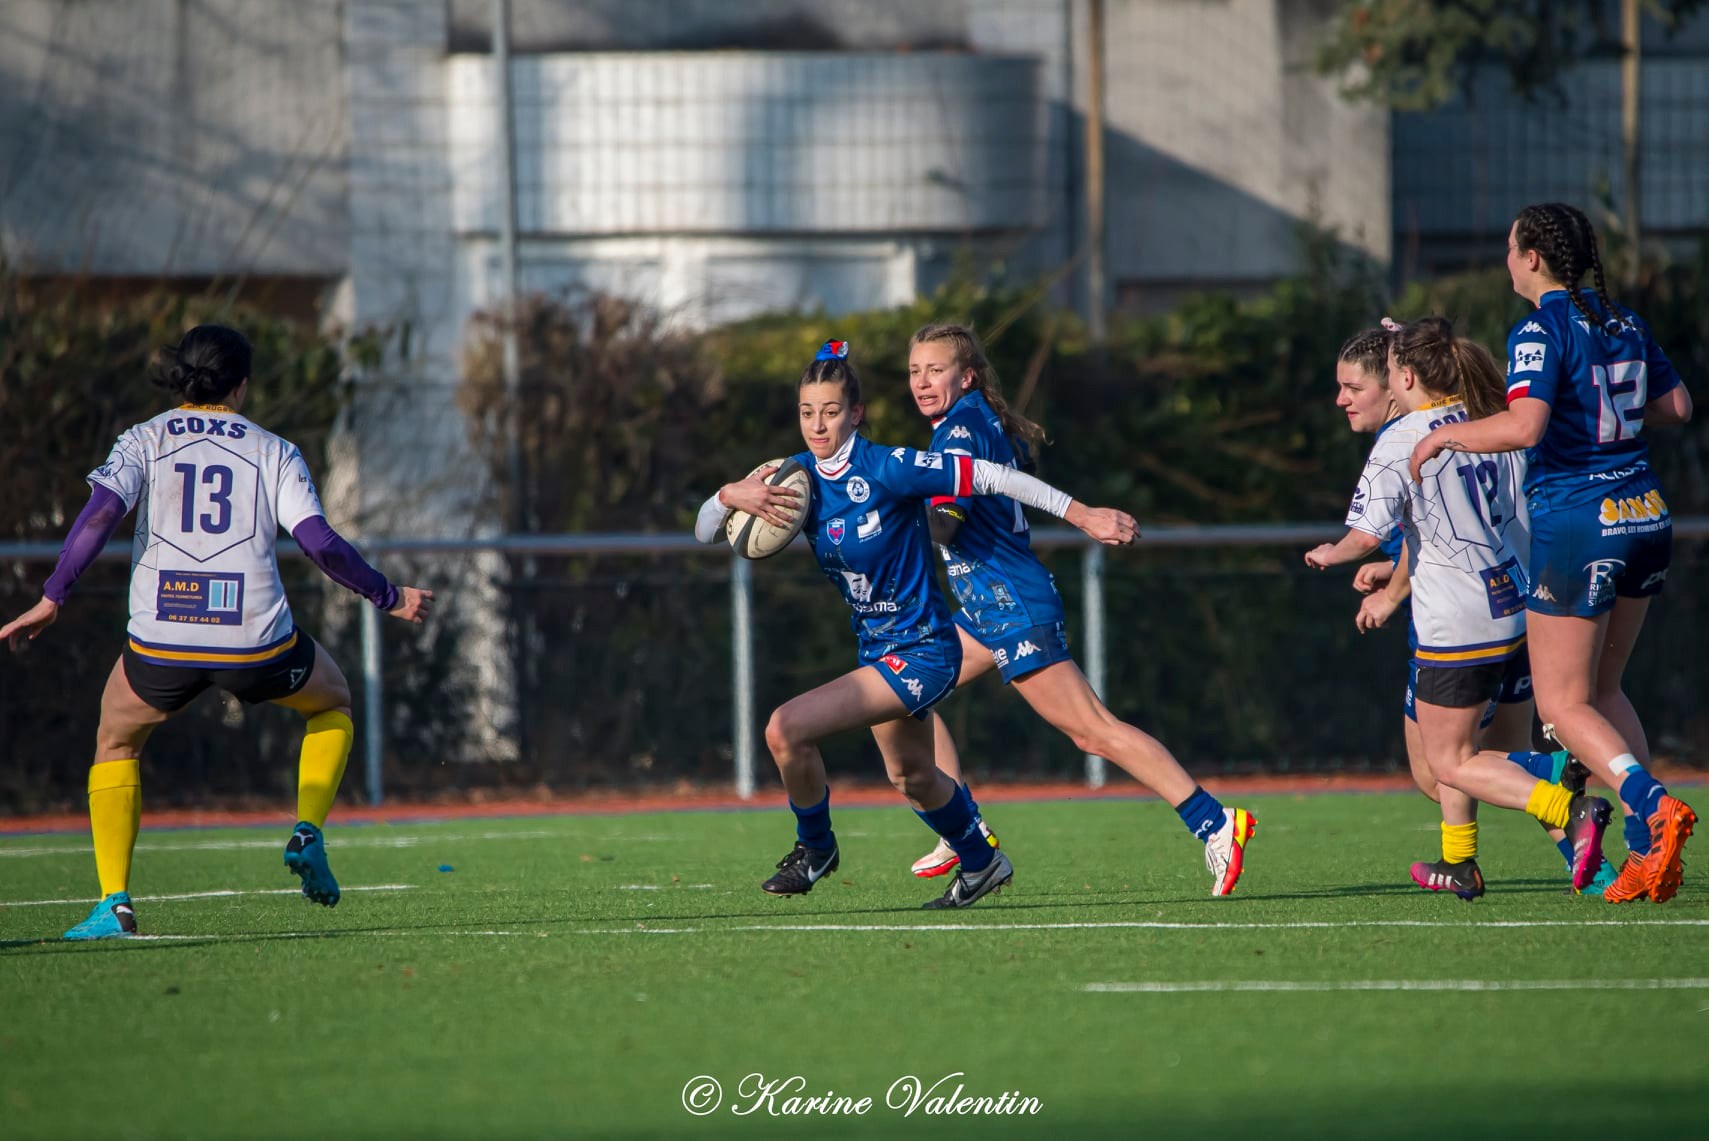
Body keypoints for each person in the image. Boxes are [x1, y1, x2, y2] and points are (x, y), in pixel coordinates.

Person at [0, 325, 433, 940]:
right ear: (241, 384)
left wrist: (52, 597)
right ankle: (308, 830)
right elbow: (318, 542)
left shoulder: (143, 439)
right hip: (255, 638)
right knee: (332, 701)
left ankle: (115, 903)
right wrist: (388, 596)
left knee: (116, 741)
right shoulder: (273, 449)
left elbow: (100, 515)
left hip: (162, 640)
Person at [693, 340, 1137, 908]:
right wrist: (731, 494)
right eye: (807, 412)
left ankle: (816, 849)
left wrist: (1083, 514)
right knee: (914, 778)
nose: (818, 424)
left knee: (785, 728)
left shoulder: (889, 467)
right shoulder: (794, 478)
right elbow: (706, 529)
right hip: (877, 650)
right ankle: (980, 862)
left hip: (926, 649)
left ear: (855, 413)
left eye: (831, 411)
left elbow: (995, 477)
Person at [899, 323, 1258, 896]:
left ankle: (1215, 822)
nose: (922, 381)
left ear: (966, 376)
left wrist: (894, 493)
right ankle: (962, 828)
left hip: (1009, 604)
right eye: (915, 371)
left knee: (1094, 732)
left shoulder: (959, 432)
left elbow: (945, 522)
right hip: (986, 609)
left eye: (934, 369)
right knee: (904, 697)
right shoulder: (968, 423)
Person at [1410, 202, 1695, 903]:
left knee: (1561, 705)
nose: (1506, 260)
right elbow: (1676, 406)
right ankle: (1641, 848)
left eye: (1510, 248)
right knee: (1602, 689)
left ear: (1532, 258)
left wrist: (1445, 436)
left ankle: (1650, 803)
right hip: (1643, 512)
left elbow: (1525, 424)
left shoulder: (1538, 328)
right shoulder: (1622, 320)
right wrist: (1607, 418)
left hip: (1578, 521)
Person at [1305, 316, 1614, 898]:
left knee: (1444, 767)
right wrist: (1394, 580)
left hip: (1459, 621)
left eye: (1355, 387)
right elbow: (1444, 528)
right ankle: (1575, 868)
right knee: (1489, 758)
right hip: (1519, 605)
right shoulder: (1487, 419)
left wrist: (1335, 554)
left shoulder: (1402, 440)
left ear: (1401, 378)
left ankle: (1563, 800)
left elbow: (1368, 532)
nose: (1342, 399)